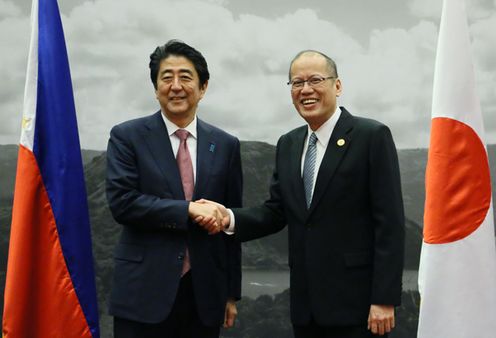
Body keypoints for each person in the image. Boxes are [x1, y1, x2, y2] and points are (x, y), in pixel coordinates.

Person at [198, 50, 405, 338]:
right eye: (296, 83)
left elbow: (390, 223)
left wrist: (384, 298)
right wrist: (228, 217)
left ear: (338, 85)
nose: (305, 90)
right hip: (306, 308)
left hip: (359, 306)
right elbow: (276, 211)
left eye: (315, 80)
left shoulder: (371, 136)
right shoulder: (289, 144)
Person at [106, 40, 242, 338]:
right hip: (142, 293)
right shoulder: (127, 136)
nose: (176, 86)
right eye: (166, 77)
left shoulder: (226, 144)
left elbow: (232, 221)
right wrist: (188, 209)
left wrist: (231, 292)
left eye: (186, 77)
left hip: (204, 296)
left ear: (203, 87)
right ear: (156, 88)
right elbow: (123, 203)